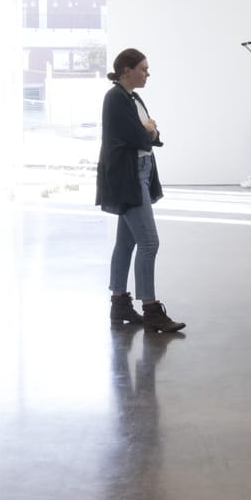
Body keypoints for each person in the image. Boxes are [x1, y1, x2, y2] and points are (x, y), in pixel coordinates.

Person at [96, 48, 185, 332]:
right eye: (143, 69)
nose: (147, 74)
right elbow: (139, 135)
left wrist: (148, 129)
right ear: (126, 70)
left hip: (140, 173)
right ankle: (150, 309)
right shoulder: (115, 98)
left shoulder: (132, 97)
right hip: (128, 177)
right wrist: (147, 129)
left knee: (127, 242)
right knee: (149, 243)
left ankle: (119, 303)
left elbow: (151, 136)